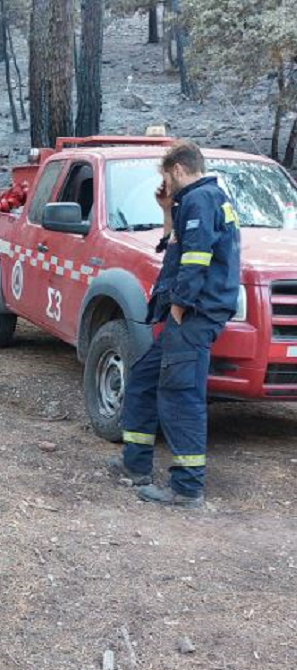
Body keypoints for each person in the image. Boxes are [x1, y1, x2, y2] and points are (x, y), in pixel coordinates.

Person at [109, 140, 241, 507]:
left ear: (178, 170)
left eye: (168, 177)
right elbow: (177, 246)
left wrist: (180, 306)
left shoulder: (200, 200)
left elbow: (196, 259)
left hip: (195, 313)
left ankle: (186, 487)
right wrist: (167, 211)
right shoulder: (199, 200)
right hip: (191, 312)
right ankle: (135, 464)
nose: (167, 184)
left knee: (180, 394)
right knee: (143, 377)